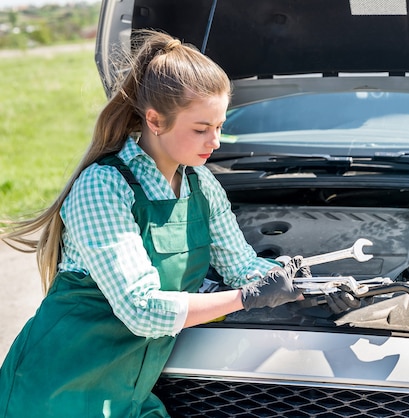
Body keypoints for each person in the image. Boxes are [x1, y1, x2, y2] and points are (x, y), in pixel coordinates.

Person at [0, 30, 304, 417]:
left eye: (220, 126)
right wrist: (246, 298)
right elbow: (141, 310)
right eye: (201, 129)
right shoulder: (103, 186)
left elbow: (242, 268)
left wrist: (302, 284)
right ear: (155, 121)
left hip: (129, 393)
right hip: (58, 391)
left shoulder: (200, 185)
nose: (216, 142)